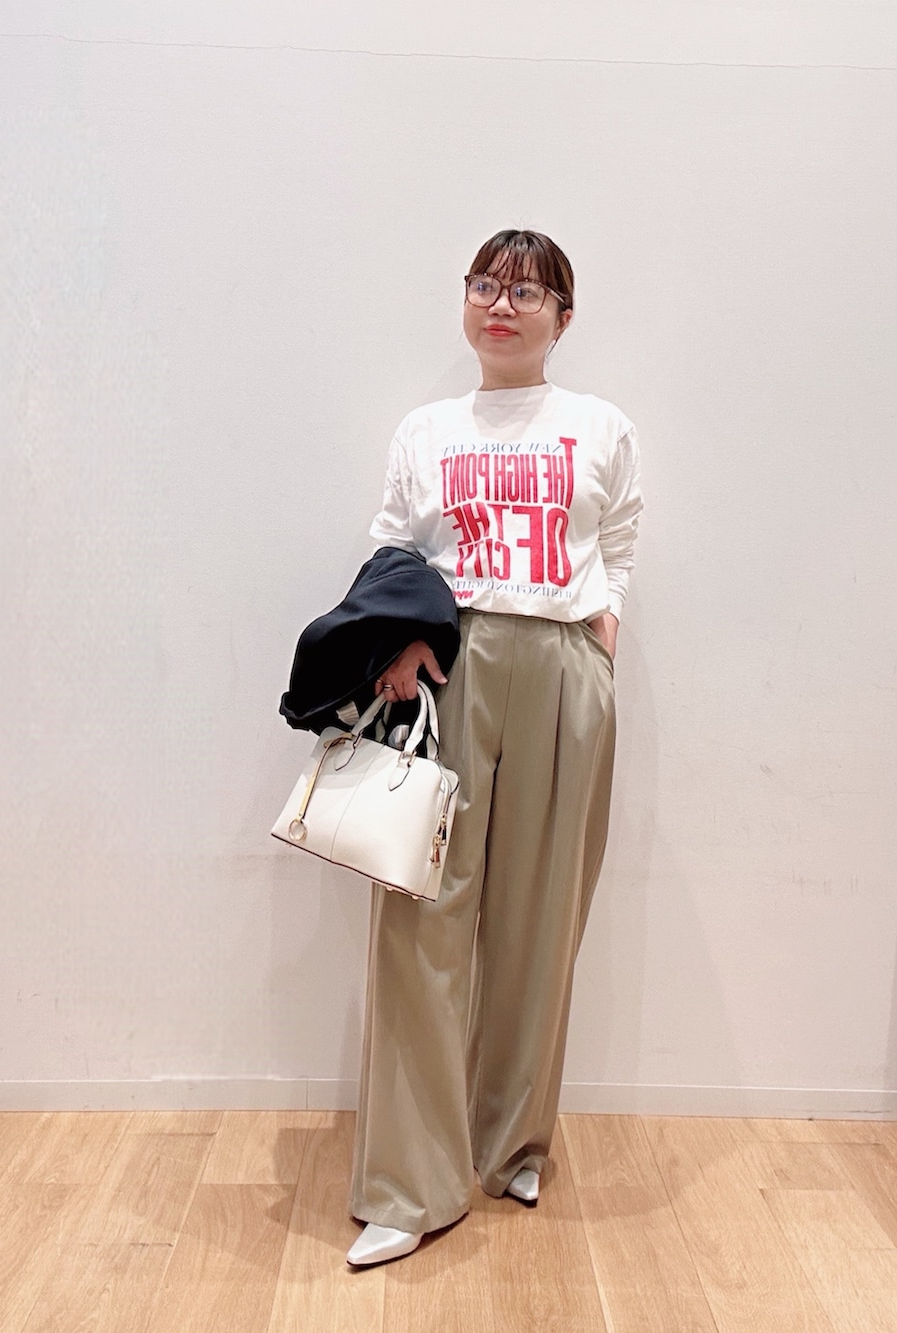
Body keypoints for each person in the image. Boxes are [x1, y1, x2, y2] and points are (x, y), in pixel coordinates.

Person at [346, 229, 643, 1267]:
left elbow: (617, 542)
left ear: (564, 315)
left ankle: (511, 1139)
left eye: (526, 291)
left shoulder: (600, 425)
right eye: (485, 285)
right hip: (451, 666)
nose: (500, 305)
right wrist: (401, 643)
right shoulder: (427, 428)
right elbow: (394, 544)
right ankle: (407, 1182)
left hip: (562, 671)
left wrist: (601, 638)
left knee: (540, 915)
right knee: (420, 915)